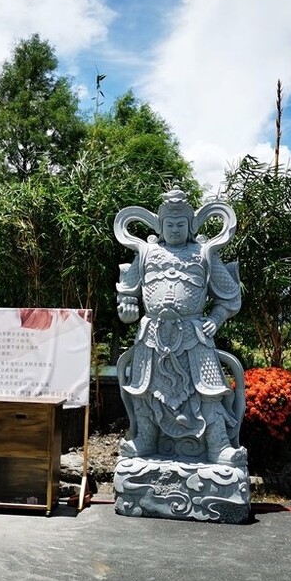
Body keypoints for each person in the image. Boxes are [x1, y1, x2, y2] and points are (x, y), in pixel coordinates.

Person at [114, 189, 245, 465]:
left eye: (180, 224)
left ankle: (218, 445)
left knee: (209, 390)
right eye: (169, 225)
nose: (174, 230)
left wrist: (215, 319)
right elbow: (128, 291)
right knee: (143, 388)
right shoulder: (147, 252)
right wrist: (127, 308)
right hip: (151, 335)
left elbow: (230, 296)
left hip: (194, 333)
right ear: (160, 227)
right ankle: (145, 440)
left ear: (190, 226)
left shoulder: (204, 253)